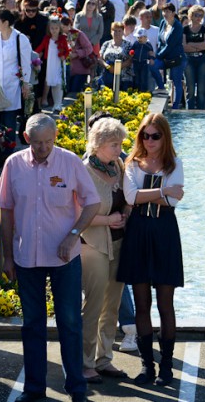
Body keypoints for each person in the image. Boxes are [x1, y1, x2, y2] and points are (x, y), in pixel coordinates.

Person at [0, 114, 102, 402]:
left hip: (65, 258)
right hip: (26, 257)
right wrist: (6, 256)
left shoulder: (70, 162)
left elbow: (93, 202)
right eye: (37, 143)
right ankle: (34, 390)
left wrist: (74, 234)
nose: (43, 148)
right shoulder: (13, 164)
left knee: (70, 323)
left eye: (48, 142)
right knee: (32, 325)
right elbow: (5, 211)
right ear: (26, 138)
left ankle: (77, 389)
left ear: (55, 137)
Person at [116, 113, 185, 387]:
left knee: (165, 304)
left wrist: (151, 194)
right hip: (138, 233)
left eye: (155, 135)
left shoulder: (174, 163)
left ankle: (166, 366)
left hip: (165, 233)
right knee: (141, 303)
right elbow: (131, 197)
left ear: (165, 136)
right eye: (145, 135)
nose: (149, 140)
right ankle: (147, 366)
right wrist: (164, 190)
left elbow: (173, 203)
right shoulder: (132, 163)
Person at [80, 117, 130, 384]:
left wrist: (125, 214)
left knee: (112, 306)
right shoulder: (83, 171)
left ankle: (104, 359)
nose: (119, 149)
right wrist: (107, 220)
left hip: (119, 243)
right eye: (114, 144)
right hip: (93, 245)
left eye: (120, 143)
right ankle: (85, 362)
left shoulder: (118, 166)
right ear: (98, 143)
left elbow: (125, 199)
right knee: (93, 305)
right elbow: (76, 214)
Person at [0, 8, 34, 144]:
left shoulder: (20, 38)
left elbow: (26, 63)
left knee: (9, 119)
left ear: (5, 23)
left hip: (12, 85)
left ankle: (9, 148)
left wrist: (25, 84)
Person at [149, 3, 185, 109]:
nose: (165, 14)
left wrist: (157, 55)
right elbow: (160, 42)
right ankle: (161, 87)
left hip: (176, 58)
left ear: (173, 13)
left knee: (176, 81)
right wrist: (157, 55)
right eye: (164, 11)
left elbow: (170, 45)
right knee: (152, 65)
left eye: (168, 11)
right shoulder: (162, 23)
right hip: (164, 56)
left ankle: (175, 106)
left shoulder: (177, 26)